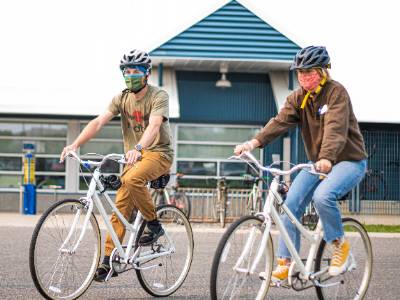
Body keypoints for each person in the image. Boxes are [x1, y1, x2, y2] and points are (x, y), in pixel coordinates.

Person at [234, 46, 367, 282]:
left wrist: (326, 157)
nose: (304, 77)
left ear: (323, 72)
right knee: (289, 205)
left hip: (348, 161)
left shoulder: (336, 93)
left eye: (309, 72)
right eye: (300, 73)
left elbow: (335, 129)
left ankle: (339, 246)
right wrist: (253, 143)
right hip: (317, 163)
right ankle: (286, 263)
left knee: (323, 196)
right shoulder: (298, 98)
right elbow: (279, 121)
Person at [60, 49, 174, 282]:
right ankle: (108, 260)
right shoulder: (121, 98)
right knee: (119, 208)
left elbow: (153, 127)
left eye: (136, 71)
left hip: (157, 153)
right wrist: (75, 145)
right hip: (133, 157)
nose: (131, 75)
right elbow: (98, 122)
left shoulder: (158, 96)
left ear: (147, 74)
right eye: (127, 71)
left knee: (132, 180)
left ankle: (153, 226)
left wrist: (139, 148)